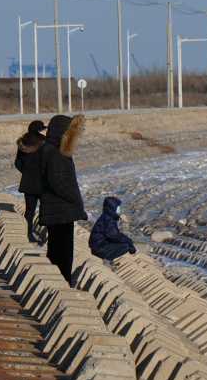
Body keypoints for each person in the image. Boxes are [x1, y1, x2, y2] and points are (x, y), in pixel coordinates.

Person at [39, 113, 87, 282]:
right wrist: (76, 200)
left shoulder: (52, 150)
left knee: (57, 253)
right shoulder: (56, 153)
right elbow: (59, 183)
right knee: (62, 256)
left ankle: (58, 285)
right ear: (63, 133)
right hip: (60, 212)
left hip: (58, 211)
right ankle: (61, 286)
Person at [13, 119, 46, 243]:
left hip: (28, 182)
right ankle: (45, 235)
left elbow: (17, 163)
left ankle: (28, 234)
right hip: (42, 182)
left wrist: (27, 173)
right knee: (46, 209)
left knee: (29, 210)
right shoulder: (44, 142)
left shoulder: (23, 142)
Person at [89, 195, 136, 264]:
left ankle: (109, 259)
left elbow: (114, 234)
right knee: (125, 246)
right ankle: (107, 260)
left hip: (98, 245)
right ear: (112, 208)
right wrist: (130, 242)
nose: (119, 210)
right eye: (118, 208)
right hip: (99, 247)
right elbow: (114, 235)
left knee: (124, 242)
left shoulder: (108, 216)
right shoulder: (108, 219)